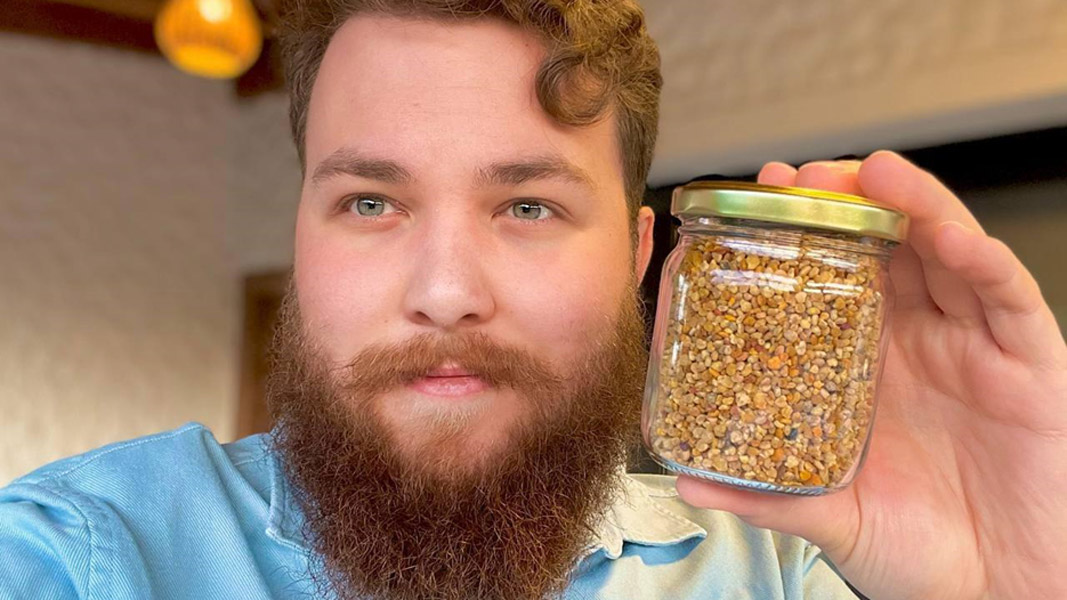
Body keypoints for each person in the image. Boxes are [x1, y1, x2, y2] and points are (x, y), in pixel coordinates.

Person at [2, 1, 1065, 598]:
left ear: (640, 256)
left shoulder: (787, 574)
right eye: (370, 202)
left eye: (527, 207)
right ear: (300, 241)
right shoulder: (88, 553)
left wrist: (1007, 583)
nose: (445, 294)